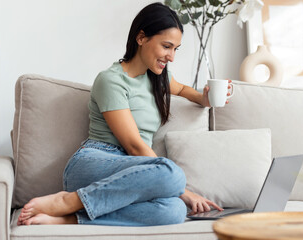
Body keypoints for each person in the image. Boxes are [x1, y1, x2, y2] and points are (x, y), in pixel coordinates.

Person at [17, 2, 231, 226]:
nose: (171, 57)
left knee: (174, 210)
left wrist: (203, 99)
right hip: (94, 163)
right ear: (141, 38)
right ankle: (68, 200)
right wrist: (184, 191)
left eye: (176, 49)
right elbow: (134, 146)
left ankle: (71, 218)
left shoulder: (158, 78)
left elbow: (182, 89)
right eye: (166, 46)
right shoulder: (111, 80)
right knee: (172, 173)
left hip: (132, 173)